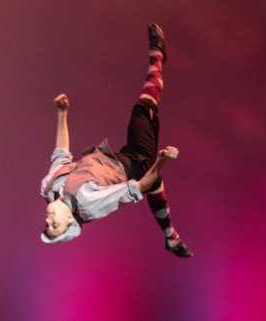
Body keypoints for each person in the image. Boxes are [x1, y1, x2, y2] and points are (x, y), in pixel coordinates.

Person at [39, 23, 192, 258]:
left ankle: (171, 237)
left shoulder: (49, 187)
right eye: (55, 226)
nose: (49, 222)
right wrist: (161, 161)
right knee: (143, 108)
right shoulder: (88, 204)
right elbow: (136, 187)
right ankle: (158, 57)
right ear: (70, 221)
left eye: (47, 226)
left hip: (118, 158)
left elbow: (61, 152)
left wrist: (62, 112)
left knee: (155, 185)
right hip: (136, 165)